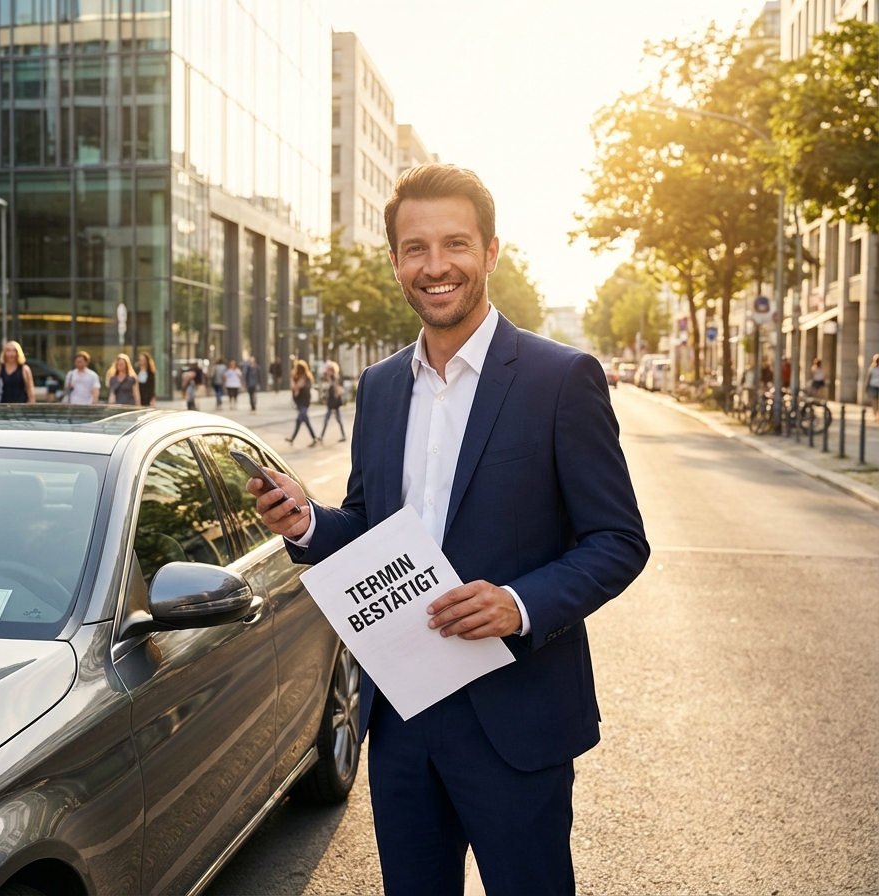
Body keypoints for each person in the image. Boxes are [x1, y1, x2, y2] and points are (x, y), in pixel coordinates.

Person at [248, 164, 649, 896]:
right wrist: (308, 525)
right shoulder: (379, 386)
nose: (436, 266)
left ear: (492, 251)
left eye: (456, 244)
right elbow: (371, 527)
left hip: (516, 719)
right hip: (402, 720)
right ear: (396, 261)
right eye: (415, 248)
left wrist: (520, 605)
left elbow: (618, 540)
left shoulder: (561, 379)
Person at [285, 359, 317, 446]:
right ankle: (313, 438)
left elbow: (307, 388)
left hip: (305, 401)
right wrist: (296, 388)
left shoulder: (307, 378)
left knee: (303, 417)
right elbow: (293, 389)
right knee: (301, 420)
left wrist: (300, 387)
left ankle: (313, 438)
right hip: (299, 402)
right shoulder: (295, 377)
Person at [319, 360, 346, 442]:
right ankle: (322, 436)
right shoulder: (330, 378)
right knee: (327, 420)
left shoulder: (335, 378)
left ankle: (343, 436)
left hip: (334, 404)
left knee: (338, 420)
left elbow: (336, 393)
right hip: (330, 403)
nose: (328, 371)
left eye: (330, 370)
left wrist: (334, 406)